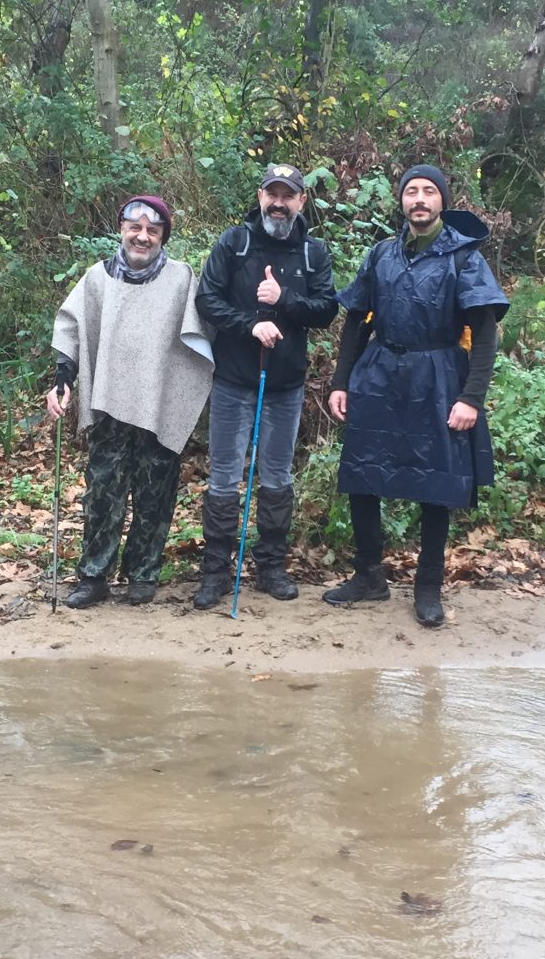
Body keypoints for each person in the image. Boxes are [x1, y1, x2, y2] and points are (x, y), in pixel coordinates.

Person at [323, 164, 509, 627]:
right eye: (412, 191)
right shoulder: (381, 253)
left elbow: (484, 335)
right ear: (401, 201)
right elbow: (355, 321)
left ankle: (428, 587)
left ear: (443, 201)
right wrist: (341, 381)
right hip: (379, 373)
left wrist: (471, 397)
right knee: (364, 475)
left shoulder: (463, 257)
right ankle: (369, 577)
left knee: (435, 484)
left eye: (429, 191)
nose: (420, 199)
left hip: (440, 377)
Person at [46, 196, 214, 609]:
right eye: (134, 228)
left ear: (162, 236)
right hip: (108, 403)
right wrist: (63, 379)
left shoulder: (180, 278)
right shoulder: (97, 279)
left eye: (152, 231)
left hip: (160, 402)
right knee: (103, 492)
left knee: (156, 494)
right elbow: (71, 329)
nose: (142, 237)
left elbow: (201, 334)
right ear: (121, 229)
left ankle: (143, 574)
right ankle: (94, 575)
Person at [193, 163, 337, 609]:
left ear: (301, 201)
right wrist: (251, 324)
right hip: (234, 380)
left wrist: (284, 302)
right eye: (271, 194)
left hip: (286, 385)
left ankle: (271, 566)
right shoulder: (233, 244)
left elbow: (327, 309)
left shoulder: (315, 252)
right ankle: (215, 571)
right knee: (223, 478)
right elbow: (206, 299)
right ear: (260, 196)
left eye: (287, 195)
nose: (279, 203)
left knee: (276, 477)